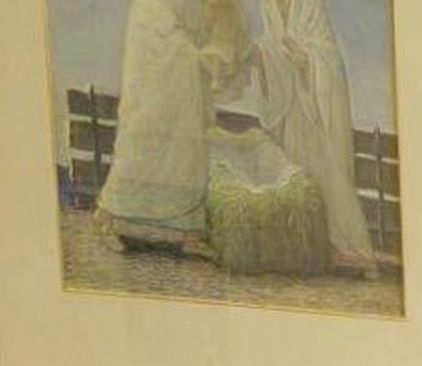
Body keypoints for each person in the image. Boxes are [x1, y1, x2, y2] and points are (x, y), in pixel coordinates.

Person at [95, 0, 249, 254]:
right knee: (143, 138)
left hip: (185, 73)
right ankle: (110, 215)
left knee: (185, 151)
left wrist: (215, 51)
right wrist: (193, 55)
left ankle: (185, 230)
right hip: (154, 66)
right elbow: (153, 21)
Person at [253, 0, 377, 275]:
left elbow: (329, 56)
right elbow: (271, 48)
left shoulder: (310, 5)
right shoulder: (268, 6)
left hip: (315, 115)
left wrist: (308, 60)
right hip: (289, 112)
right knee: (291, 175)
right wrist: (262, 57)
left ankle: (346, 248)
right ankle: (301, 246)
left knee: (324, 177)